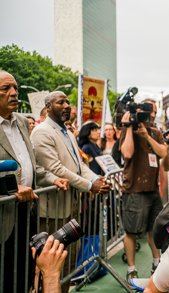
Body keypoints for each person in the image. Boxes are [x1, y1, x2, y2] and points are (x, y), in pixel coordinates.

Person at [30, 91, 109, 292]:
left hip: (71, 206)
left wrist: (95, 179)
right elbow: (57, 169)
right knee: (51, 266)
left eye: (68, 102)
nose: (67, 105)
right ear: (48, 107)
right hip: (52, 211)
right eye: (60, 102)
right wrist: (91, 186)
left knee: (68, 262)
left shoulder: (66, 132)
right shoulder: (42, 132)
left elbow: (79, 166)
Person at [0, 71, 69, 293]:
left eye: (15, 88)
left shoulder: (21, 121)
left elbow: (32, 166)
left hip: (27, 212)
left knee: (23, 273)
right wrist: (12, 188)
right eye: (5, 89)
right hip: (2, 215)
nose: (13, 93)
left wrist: (53, 178)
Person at [119, 100, 168, 282]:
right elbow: (127, 153)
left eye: (150, 111)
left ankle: (157, 263)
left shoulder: (155, 132)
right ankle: (132, 269)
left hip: (152, 190)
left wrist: (147, 136)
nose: (148, 115)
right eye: (142, 112)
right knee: (131, 232)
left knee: (154, 230)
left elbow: (163, 153)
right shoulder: (127, 130)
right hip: (134, 191)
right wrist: (129, 127)